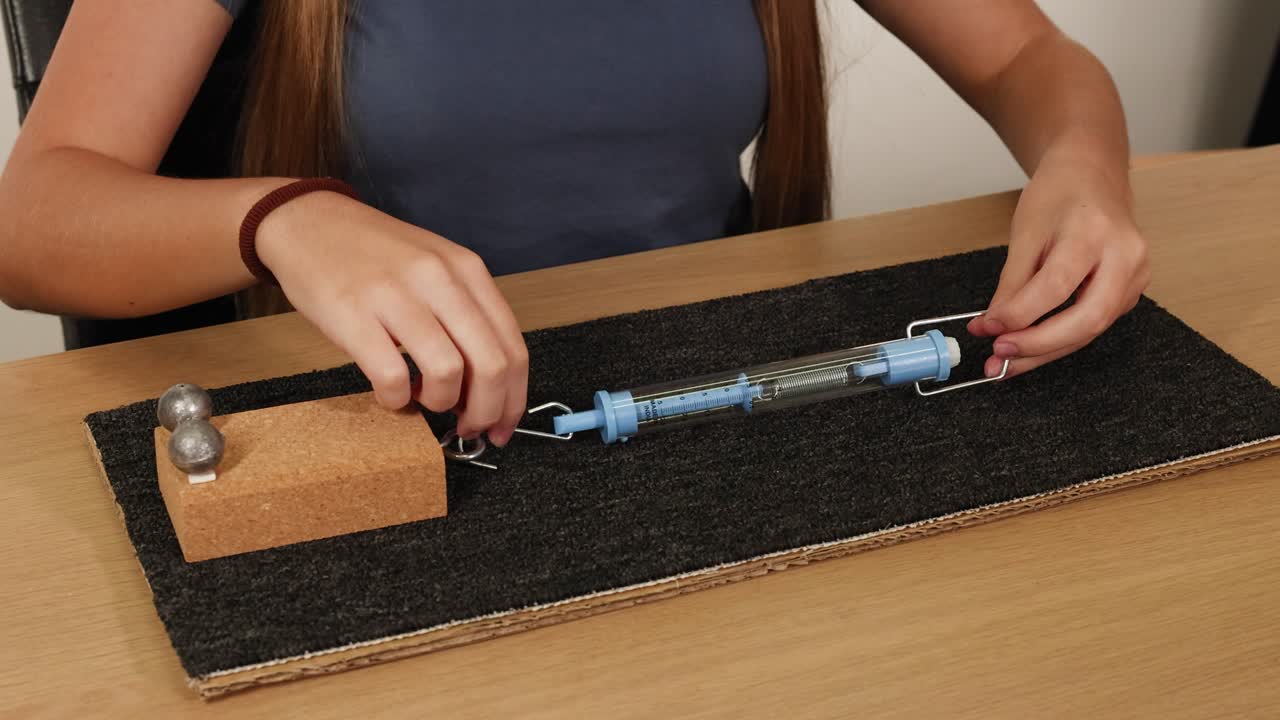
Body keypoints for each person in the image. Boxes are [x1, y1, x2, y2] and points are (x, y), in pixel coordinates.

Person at [0, 1, 1148, 447]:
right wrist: (284, 221)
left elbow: (1027, 55)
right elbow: (36, 218)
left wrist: (1083, 167)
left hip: (708, 415)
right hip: (408, 437)